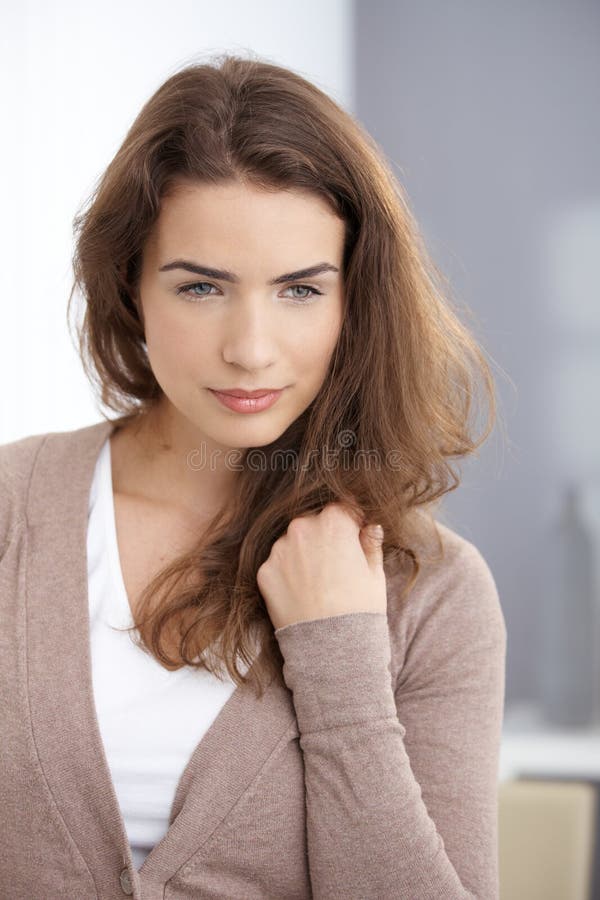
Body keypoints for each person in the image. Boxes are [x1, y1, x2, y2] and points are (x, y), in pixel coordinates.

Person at [0, 52, 507, 899]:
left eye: (300, 291)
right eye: (202, 287)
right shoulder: (14, 513)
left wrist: (342, 656)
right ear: (130, 287)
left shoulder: (433, 592)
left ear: (355, 300)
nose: (251, 348)